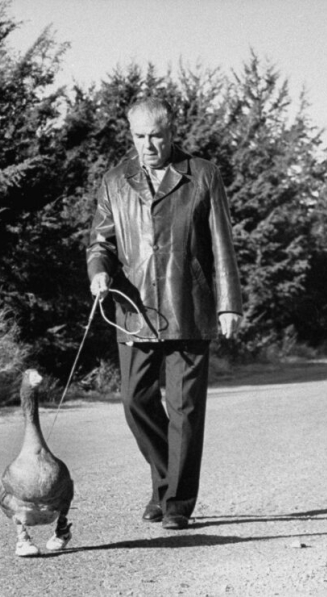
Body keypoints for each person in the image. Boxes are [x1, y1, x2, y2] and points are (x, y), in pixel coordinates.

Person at [87, 97, 243, 530]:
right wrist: (99, 273)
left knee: (185, 409)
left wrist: (229, 303)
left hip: (189, 306)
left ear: (171, 132)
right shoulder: (114, 180)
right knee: (135, 401)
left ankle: (177, 503)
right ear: (131, 135)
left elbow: (221, 244)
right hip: (134, 310)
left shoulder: (203, 175)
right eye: (139, 137)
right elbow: (100, 242)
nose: (148, 145)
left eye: (155, 135)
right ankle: (163, 481)